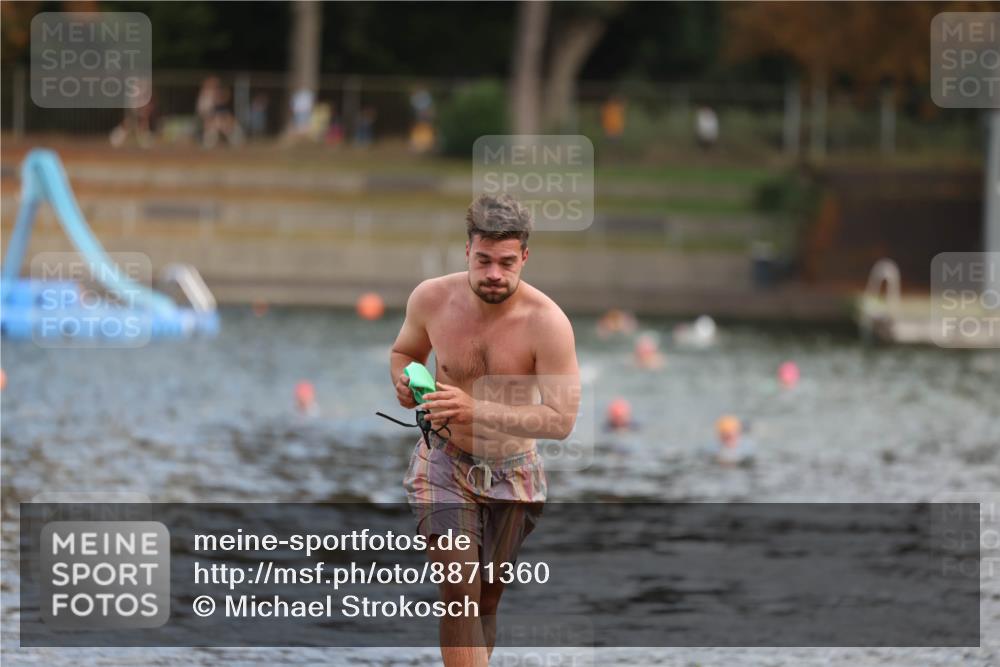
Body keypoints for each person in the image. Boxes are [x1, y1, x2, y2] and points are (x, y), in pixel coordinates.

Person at [390, 193, 580, 667]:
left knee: (487, 598)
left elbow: (561, 421)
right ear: (467, 252)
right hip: (443, 460)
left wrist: (475, 409)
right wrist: (405, 381)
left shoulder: (548, 324)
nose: (494, 273)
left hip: (514, 473)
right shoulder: (431, 297)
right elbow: (405, 352)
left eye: (506, 262)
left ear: (525, 259)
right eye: (484, 260)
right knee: (459, 590)